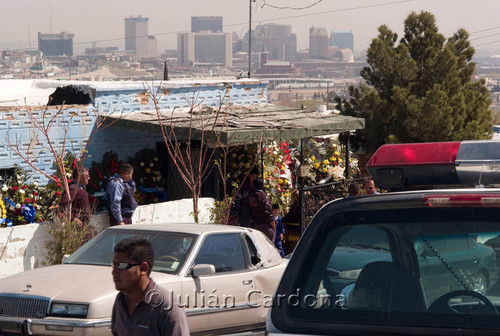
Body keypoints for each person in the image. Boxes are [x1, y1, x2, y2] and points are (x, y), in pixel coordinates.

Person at [111, 237, 189, 336]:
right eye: (114, 265)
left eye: (121, 265)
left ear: (143, 268)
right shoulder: (120, 300)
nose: (114, 272)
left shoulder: (167, 306)